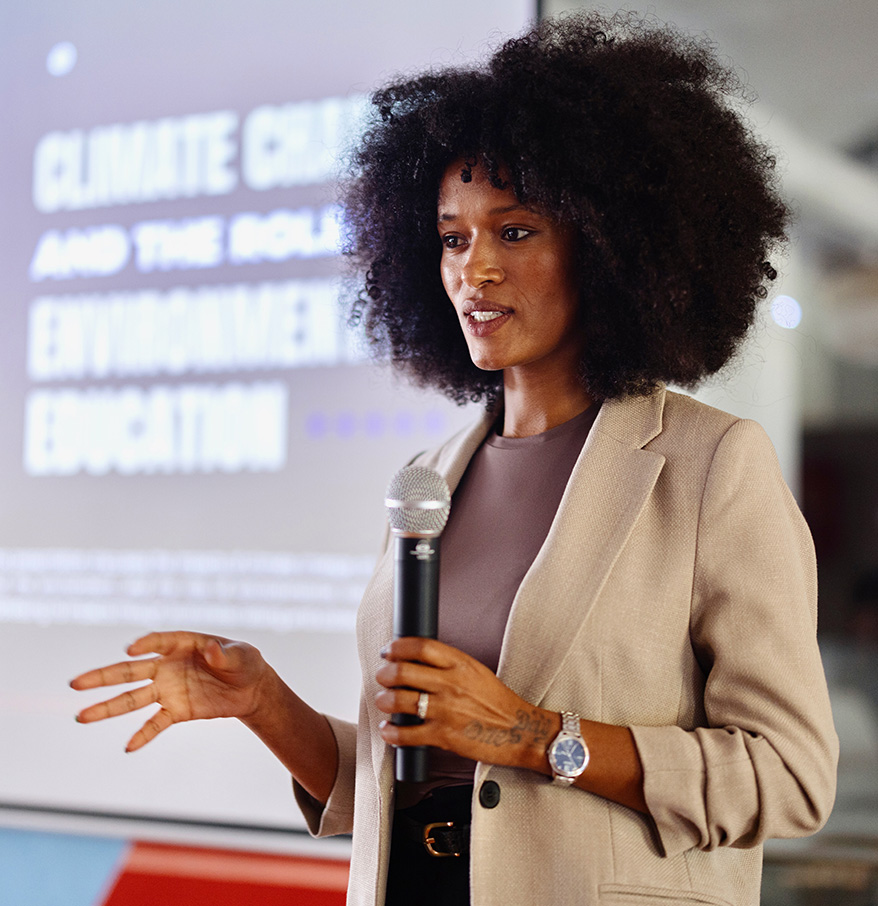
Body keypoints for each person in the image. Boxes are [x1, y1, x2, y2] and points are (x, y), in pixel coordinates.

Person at [71, 12, 838, 906]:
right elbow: (402, 782)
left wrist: (535, 736)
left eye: (514, 232)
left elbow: (790, 777)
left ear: (610, 246)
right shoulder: (429, 479)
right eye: (452, 238)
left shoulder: (710, 466)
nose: (474, 270)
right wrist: (263, 705)